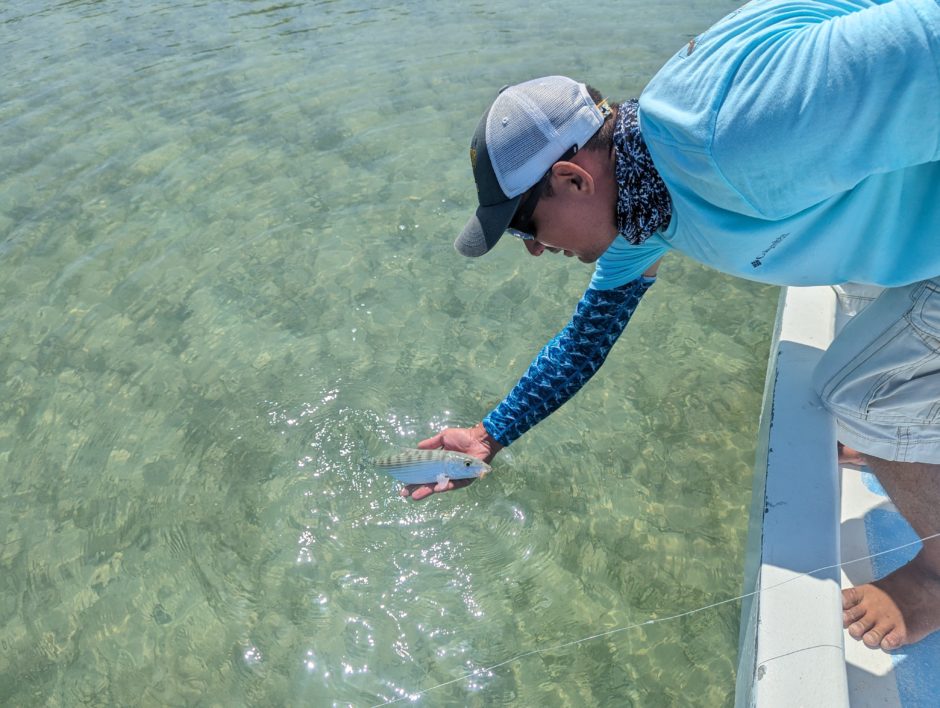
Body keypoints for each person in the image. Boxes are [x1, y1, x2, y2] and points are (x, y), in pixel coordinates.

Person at [401, 0, 940, 652]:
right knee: (857, 322)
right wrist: (488, 436)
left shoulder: (730, 132)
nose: (534, 250)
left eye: (523, 226)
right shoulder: (644, 200)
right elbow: (584, 341)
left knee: (858, 391)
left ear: (572, 179)